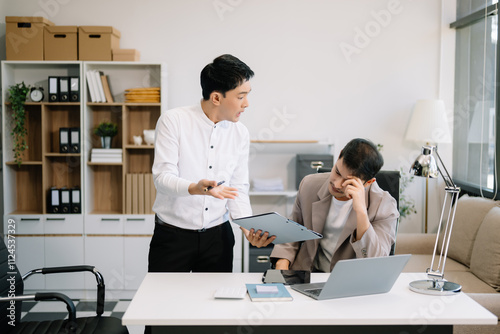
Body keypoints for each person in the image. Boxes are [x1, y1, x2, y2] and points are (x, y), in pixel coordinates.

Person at [148, 54, 273, 274]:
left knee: (214, 305)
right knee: (166, 304)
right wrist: (195, 188)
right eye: (241, 96)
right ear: (216, 97)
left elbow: (238, 188)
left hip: (218, 238)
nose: (247, 103)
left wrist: (248, 227)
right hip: (172, 237)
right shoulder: (173, 121)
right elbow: (162, 178)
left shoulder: (240, 133)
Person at [270, 138, 399, 272]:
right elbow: (291, 233)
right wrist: (282, 268)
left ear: (368, 182)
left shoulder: (385, 206)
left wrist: (361, 211)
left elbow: (376, 263)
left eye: (348, 182)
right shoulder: (309, 185)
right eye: (337, 172)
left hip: (349, 281)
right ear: (339, 155)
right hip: (306, 275)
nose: (336, 184)